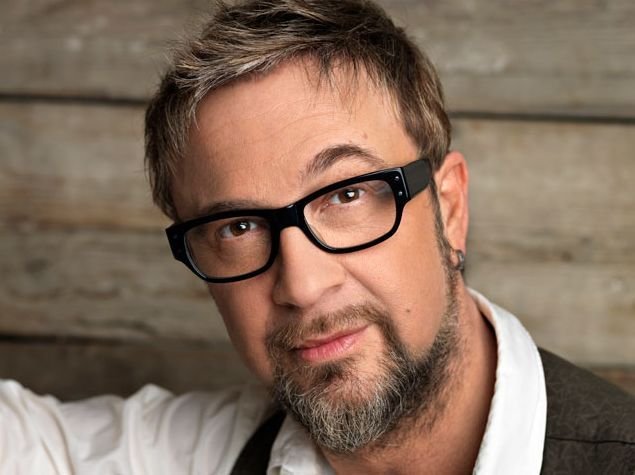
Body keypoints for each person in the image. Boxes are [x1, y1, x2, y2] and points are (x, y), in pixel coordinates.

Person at [1, 0, 633, 473]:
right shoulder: (195, 457)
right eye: (239, 227)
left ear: (449, 208)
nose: (301, 285)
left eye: (347, 194)